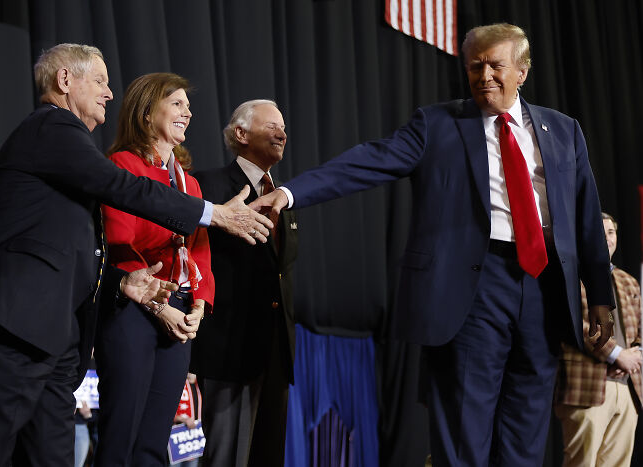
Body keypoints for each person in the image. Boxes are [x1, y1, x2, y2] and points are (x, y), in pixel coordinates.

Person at [252, 23, 615, 466]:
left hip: (544, 289)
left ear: (522, 71)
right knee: (465, 431)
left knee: (527, 431)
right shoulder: (438, 124)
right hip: (472, 290)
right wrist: (290, 194)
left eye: (496, 66)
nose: (484, 76)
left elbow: (586, 217)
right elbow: (368, 161)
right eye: (475, 66)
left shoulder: (563, 130)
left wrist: (599, 296)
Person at [0, 43, 272, 467]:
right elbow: (124, 188)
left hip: (55, 341)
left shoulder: (66, 152)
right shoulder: (51, 127)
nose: (109, 92)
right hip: (11, 326)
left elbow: (75, 246)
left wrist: (121, 280)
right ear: (65, 81)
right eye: (99, 80)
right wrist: (214, 214)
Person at [94, 73, 215, 466]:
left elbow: (200, 254)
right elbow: (119, 243)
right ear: (147, 113)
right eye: (177, 104)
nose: (188, 112)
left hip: (180, 310)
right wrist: (159, 307)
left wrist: (198, 307)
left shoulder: (191, 186)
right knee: (121, 435)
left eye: (188, 105)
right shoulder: (123, 165)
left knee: (154, 443)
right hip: (136, 306)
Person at [191, 99, 298, 467]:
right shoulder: (208, 184)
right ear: (241, 133)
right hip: (228, 347)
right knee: (226, 456)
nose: (281, 133)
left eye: (283, 127)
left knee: (267, 454)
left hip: (275, 349)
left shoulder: (284, 197)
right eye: (271, 126)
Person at [554, 212, 642, 466]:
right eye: (599, 233)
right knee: (582, 462)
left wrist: (633, 357)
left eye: (611, 233)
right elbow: (570, 323)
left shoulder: (629, 281)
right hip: (585, 387)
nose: (607, 239)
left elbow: (638, 332)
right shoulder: (568, 276)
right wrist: (617, 355)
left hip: (627, 388)